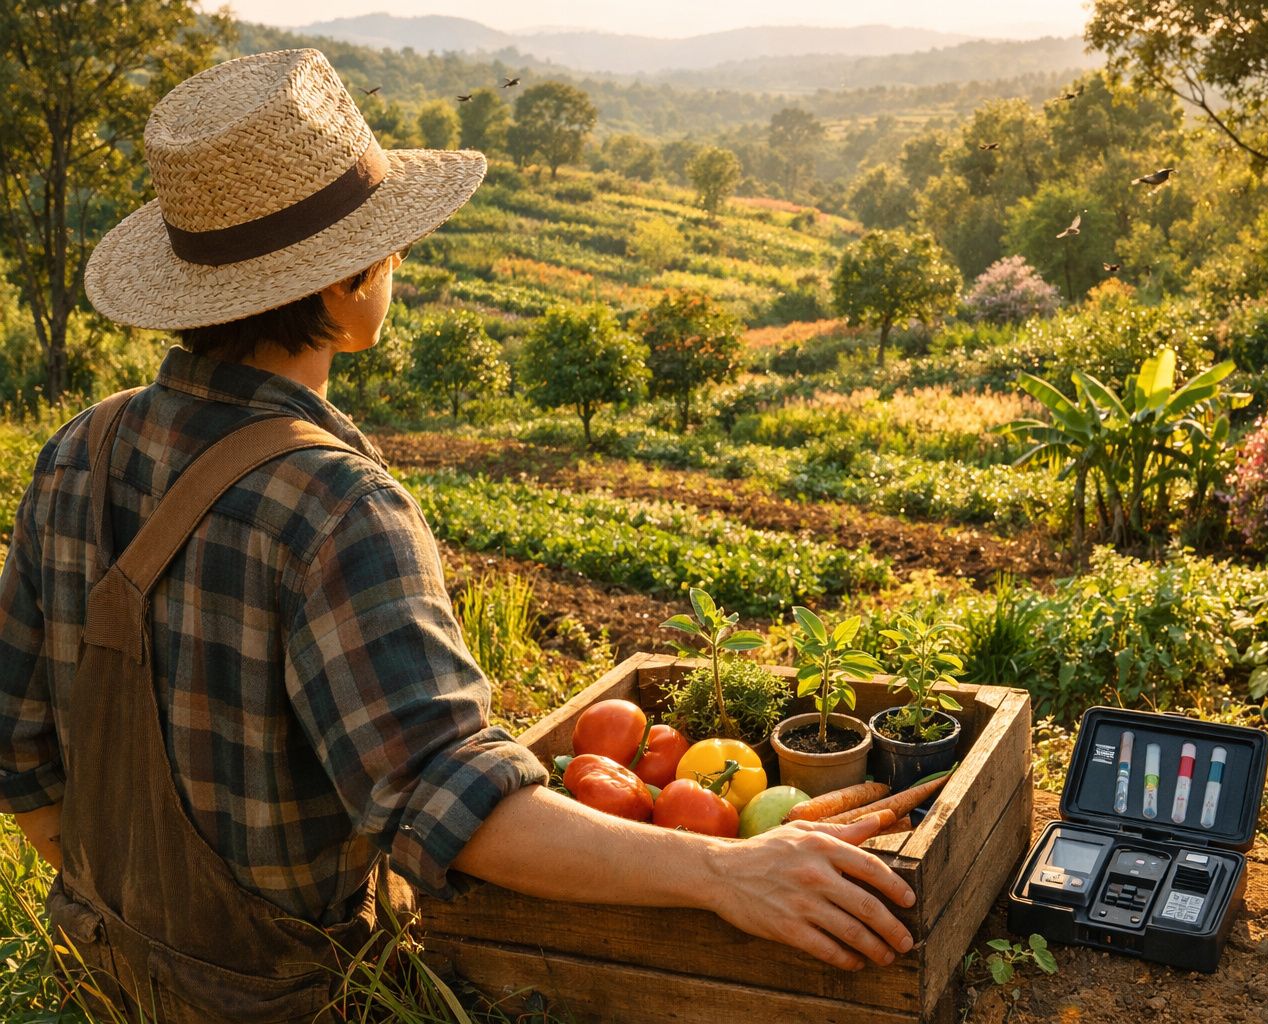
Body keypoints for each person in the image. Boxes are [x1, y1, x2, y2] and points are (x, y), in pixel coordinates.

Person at [0, 48, 913, 1023]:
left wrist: (145, 937)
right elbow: (454, 803)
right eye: (386, 247)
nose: (398, 262)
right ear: (346, 289)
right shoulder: (335, 505)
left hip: (98, 978)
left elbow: (23, 766)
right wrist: (726, 873)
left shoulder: (77, 449)